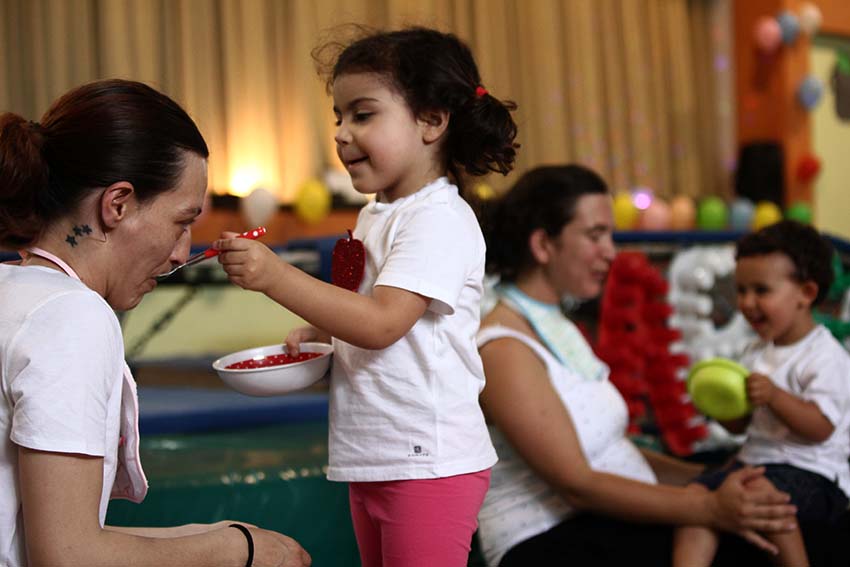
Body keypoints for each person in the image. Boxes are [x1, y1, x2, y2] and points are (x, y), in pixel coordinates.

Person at [214, 26, 518, 567]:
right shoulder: (377, 213)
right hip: (374, 453)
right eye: (339, 117)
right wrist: (321, 334)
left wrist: (275, 277)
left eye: (363, 114)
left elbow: (382, 323)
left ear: (431, 121)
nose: (341, 133)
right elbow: (370, 311)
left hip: (427, 459)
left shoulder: (438, 218)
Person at [0, 79, 310, 567]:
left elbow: (35, 534)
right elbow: (67, 555)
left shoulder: (13, 290)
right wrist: (237, 552)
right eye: (181, 222)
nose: (182, 253)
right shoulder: (72, 317)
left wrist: (210, 535)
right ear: (118, 204)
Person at [475, 165, 799, 567]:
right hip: (550, 540)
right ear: (543, 244)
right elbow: (577, 484)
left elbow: (615, 452)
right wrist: (709, 506)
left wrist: (716, 476)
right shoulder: (503, 347)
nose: (610, 251)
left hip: (601, 523)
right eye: (596, 235)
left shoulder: (555, 324)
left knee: (782, 510)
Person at [672, 220, 850, 567]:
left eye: (761, 290)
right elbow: (742, 427)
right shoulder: (755, 352)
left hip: (814, 474)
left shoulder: (825, 357)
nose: (747, 303)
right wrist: (718, 405)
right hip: (756, 463)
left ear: (806, 293)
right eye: (741, 290)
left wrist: (775, 397)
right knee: (694, 499)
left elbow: (821, 428)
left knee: (763, 494)